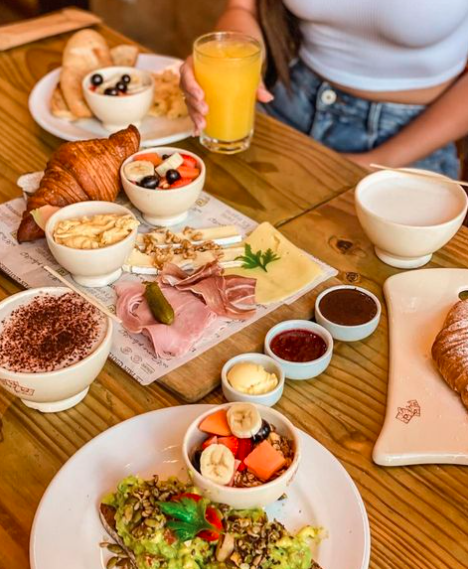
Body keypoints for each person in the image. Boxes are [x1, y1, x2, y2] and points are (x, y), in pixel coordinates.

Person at [180, 0, 468, 178]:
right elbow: (243, 7)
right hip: (286, 103)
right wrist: (228, 58)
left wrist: (381, 161)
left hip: (415, 139)